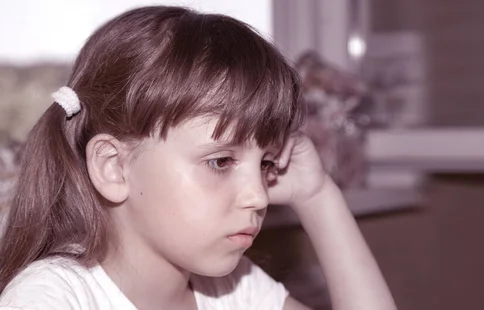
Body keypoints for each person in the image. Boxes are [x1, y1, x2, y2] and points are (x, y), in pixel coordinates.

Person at [0, 6, 396, 310]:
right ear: (114, 167)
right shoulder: (51, 298)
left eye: (266, 164)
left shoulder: (231, 291)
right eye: (221, 162)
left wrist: (317, 196)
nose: (258, 196)